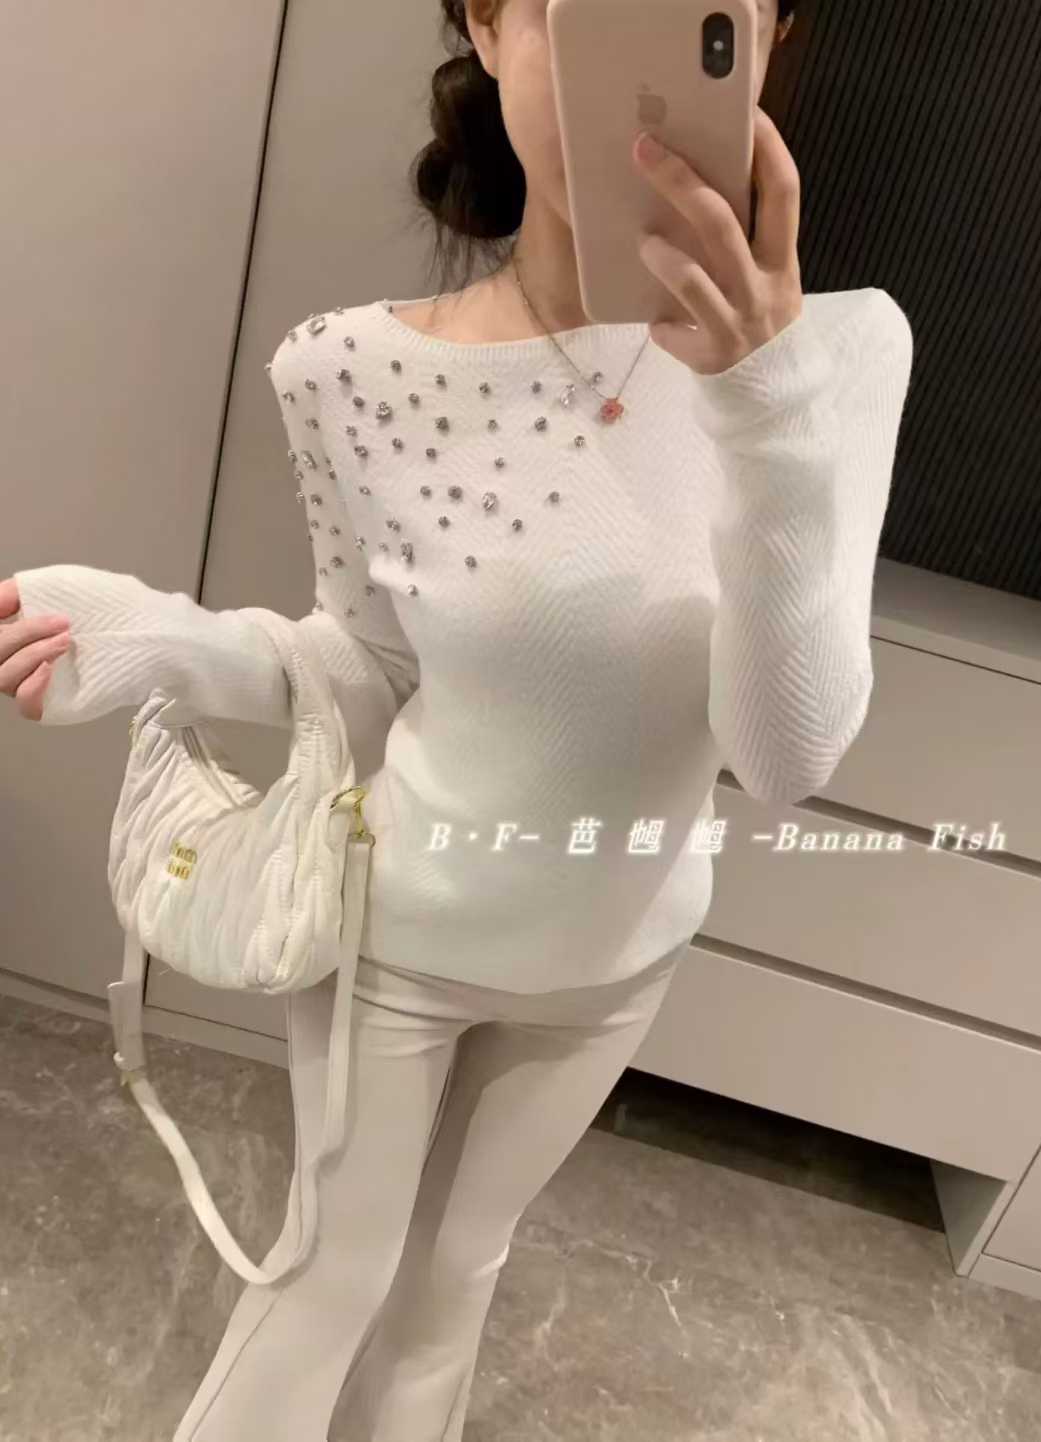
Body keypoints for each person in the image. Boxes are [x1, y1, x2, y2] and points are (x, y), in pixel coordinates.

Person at [1, 1, 914, 1437]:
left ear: (767, 34)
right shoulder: (350, 370)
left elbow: (785, 757)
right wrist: (158, 643)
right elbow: (364, 660)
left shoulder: (840, 359)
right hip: (397, 935)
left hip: (615, 959)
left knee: (453, 1283)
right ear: (489, 23)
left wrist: (762, 410)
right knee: (326, 1280)